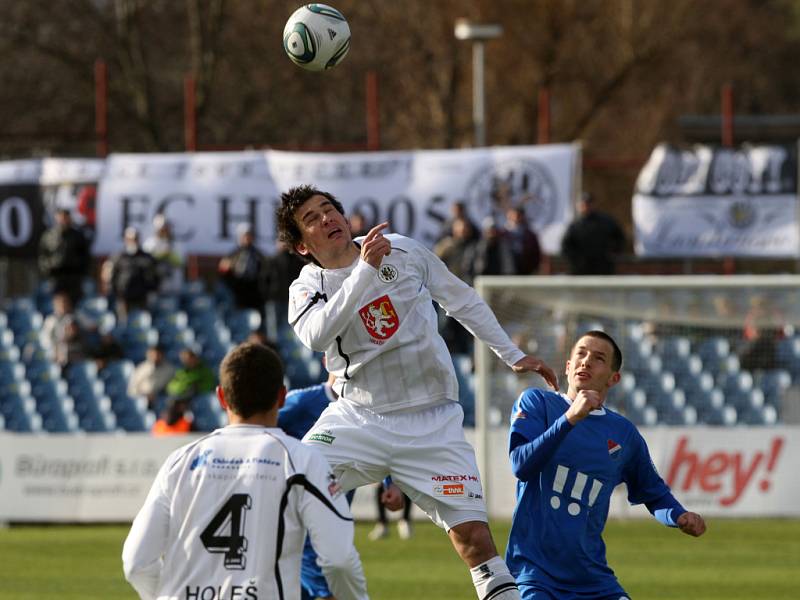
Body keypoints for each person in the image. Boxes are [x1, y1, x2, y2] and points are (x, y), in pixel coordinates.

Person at [276, 185, 558, 600]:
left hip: (433, 421)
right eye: (312, 219)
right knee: (284, 496)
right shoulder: (306, 287)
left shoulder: (402, 251)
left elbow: (460, 298)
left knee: (476, 542)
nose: (327, 218)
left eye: (329, 209)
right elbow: (318, 336)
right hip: (357, 418)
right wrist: (364, 273)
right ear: (302, 245)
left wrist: (512, 355)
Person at [122, 342, 368, 600]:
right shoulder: (303, 460)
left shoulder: (180, 461)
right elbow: (338, 559)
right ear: (282, 397)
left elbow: (136, 562)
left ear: (221, 397)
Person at [506, 330, 706, 599]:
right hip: (535, 575)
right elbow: (521, 465)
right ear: (567, 367)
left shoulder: (623, 433)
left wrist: (678, 516)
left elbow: (653, 492)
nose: (586, 361)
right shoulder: (537, 402)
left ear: (614, 378)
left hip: (593, 580)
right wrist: (569, 419)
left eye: (598, 358)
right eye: (581, 354)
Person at [102, 227, 160, 322]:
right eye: (130, 239)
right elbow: (108, 274)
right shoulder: (118, 256)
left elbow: (155, 275)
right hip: (124, 298)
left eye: (135, 238)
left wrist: (152, 289)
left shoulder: (147, 257)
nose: (133, 241)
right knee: (123, 322)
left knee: (142, 323)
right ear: (125, 239)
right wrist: (114, 292)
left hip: (142, 298)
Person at [560, 192, 626, 275]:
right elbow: (565, 246)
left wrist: (613, 254)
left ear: (593, 205)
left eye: (588, 204)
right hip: (580, 271)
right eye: (583, 204)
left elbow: (620, 238)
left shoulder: (606, 221)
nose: (586, 207)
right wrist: (576, 261)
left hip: (603, 269)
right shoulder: (575, 226)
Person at [218, 223, 269, 326]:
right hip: (238, 293)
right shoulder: (233, 254)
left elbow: (266, 273)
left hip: (255, 294)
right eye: (245, 235)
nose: (247, 238)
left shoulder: (259, 255)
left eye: (249, 235)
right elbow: (223, 273)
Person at [38, 207, 92, 305]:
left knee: (74, 307)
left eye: (65, 217)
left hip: (73, 279)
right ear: (56, 218)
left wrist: (75, 265)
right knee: (56, 307)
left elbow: (86, 258)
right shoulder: (49, 236)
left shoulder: (78, 236)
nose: (63, 220)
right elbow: (42, 258)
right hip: (55, 279)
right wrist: (51, 265)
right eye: (61, 217)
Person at [143, 214, 185, 295]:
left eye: (167, 227)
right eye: (163, 227)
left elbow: (181, 262)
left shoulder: (177, 243)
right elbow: (146, 261)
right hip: (154, 287)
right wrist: (161, 255)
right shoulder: (150, 243)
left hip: (174, 287)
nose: (166, 230)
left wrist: (169, 255)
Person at [128, 344, 177, 410]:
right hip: (142, 399)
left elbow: (173, 386)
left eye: (157, 354)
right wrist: (144, 396)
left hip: (162, 399)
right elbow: (132, 389)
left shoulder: (170, 369)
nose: (155, 357)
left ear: (162, 355)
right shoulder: (142, 368)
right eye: (152, 355)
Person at [504, 207, 541, 275]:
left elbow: (536, 254)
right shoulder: (503, 234)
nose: (515, 218)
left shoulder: (530, 235)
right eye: (512, 216)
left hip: (525, 270)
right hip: (506, 271)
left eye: (518, 216)